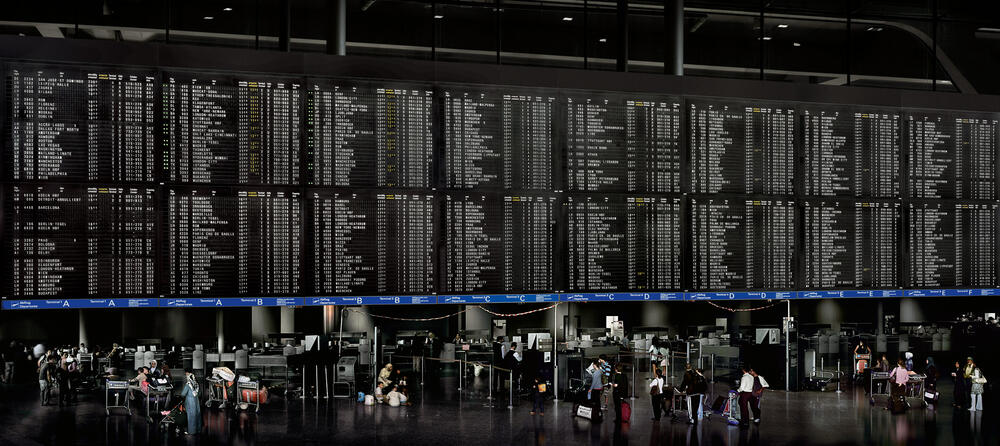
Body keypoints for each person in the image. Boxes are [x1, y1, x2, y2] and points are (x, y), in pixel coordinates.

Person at [180, 369, 201, 435]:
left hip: (190, 401)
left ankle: (191, 431)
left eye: (187, 375)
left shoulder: (188, 384)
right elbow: (199, 393)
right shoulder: (196, 383)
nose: (186, 376)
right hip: (196, 400)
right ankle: (198, 430)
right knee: (197, 414)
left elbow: (183, 394)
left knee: (191, 416)